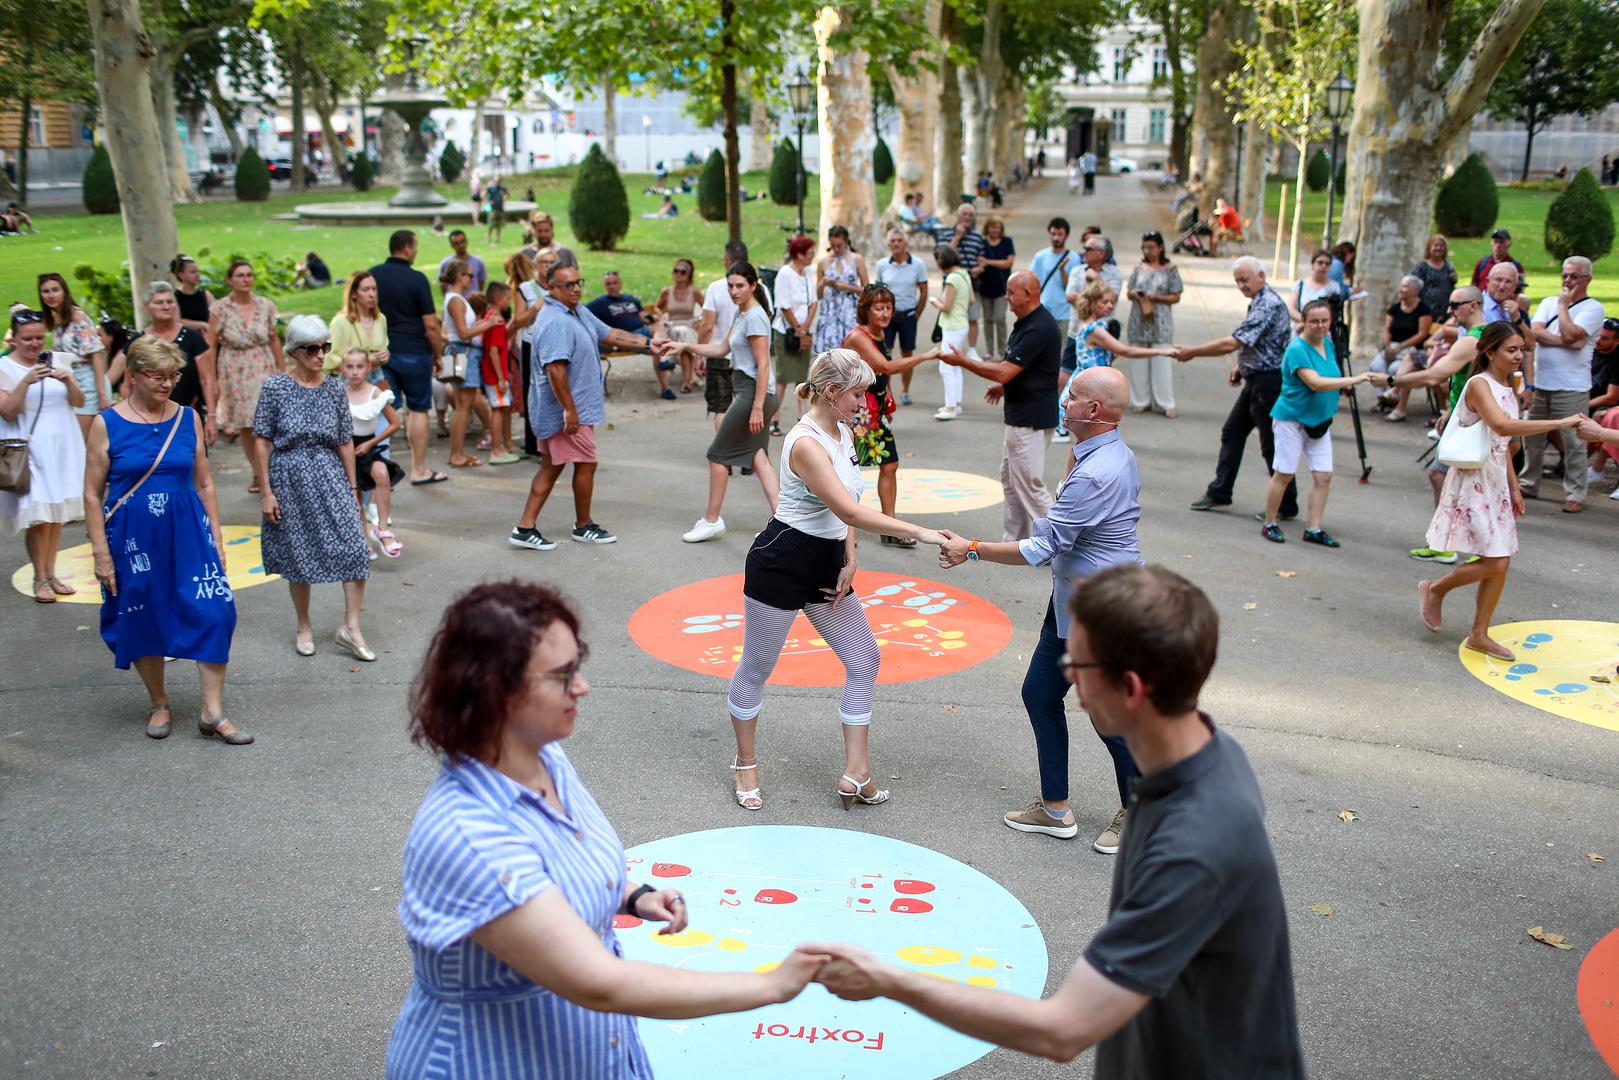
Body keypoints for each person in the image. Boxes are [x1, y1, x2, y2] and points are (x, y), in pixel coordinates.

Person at [805, 566, 1306, 1080]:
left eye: (1078, 662)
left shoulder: (1195, 847)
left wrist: (888, 980)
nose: (1066, 671)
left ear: (1130, 688)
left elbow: (1061, 1030)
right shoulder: (1203, 748)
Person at [385, 583, 828, 1077]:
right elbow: (600, 983)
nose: (582, 687)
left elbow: (563, 864)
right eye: (562, 675)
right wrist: (774, 986)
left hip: (588, 1049)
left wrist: (633, 893)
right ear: (494, 690)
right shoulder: (470, 836)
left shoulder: (544, 754)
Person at [722, 349, 947, 811]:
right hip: (782, 559)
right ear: (831, 391)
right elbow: (849, 509)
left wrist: (850, 554)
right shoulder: (805, 442)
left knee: (864, 658)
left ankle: (856, 772)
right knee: (758, 669)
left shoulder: (843, 432)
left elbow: (846, 505)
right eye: (858, 394)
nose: (864, 404)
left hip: (827, 562)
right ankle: (745, 763)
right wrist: (921, 532)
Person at [936, 367, 1143, 853]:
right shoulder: (1103, 451)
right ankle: (1055, 809)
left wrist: (970, 548)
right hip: (1074, 599)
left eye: (1071, 398)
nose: (1062, 402)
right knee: (1040, 693)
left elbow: (1043, 545)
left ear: (1094, 411)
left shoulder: (1096, 473)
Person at [83, 337, 248, 743]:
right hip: (133, 537)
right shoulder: (107, 423)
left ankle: (212, 710)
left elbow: (204, 482)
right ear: (134, 375)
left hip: (188, 532)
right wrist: (101, 554)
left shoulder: (187, 417)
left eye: (173, 375)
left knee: (216, 611)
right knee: (143, 614)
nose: (167, 384)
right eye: (157, 376)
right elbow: (91, 493)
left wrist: (218, 539)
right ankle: (159, 701)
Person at [1418, 322, 1586, 660]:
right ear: (1489, 351)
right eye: (1511, 350)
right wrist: (1559, 422)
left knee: (1500, 559)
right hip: (1473, 479)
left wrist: (1514, 486)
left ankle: (1480, 633)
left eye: (1521, 349)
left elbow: (1504, 444)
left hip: (1495, 478)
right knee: (1496, 560)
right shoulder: (1479, 384)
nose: (1519, 356)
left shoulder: (1508, 386)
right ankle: (1435, 588)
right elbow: (1503, 425)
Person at [254, 315, 374, 662]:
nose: (321, 354)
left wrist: (353, 488)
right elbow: (262, 440)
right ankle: (303, 626)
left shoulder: (336, 388)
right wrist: (266, 491)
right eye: (312, 349)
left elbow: (345, 440)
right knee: (298, 553)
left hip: (329, 471)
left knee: (354, 545)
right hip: (288, 475)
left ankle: (350, 628)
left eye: (325, 347)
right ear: (294, 351)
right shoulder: (275, 388)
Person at [509, 263, 650, 550]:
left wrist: (650, 344)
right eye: (567, 285)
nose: (575, 289)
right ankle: (583, 526)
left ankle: (525, 527)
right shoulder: (555, 322)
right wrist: (570, 410)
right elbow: (556, 370)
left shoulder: (576, 311)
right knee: (586, 463)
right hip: (569, 413)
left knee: (551, 468)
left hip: (572, 410)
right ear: (550, 288)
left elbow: (609, 333)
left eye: (577, 282)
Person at [659, 263, 779, 544]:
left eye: (739, 285)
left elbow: (763, 366)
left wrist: (758, 407)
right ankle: (785, 520)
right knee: (758, 457)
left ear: (752, 285)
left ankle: (712, 520)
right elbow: (721, 349)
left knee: (717, 455)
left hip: (753, 393)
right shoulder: (743, 313)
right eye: (730, 285)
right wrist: (685, 347)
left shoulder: (755, 317)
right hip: (751, 392)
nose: (734, 291)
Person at [938, 271, 1061, 541]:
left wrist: (965, 362)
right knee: (1011, 479)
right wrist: (1004, 387)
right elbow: (1025, 371)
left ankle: (1060, 543)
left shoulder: (1039, 326)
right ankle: (1014, 540)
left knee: (1029, 483)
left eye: (1011, 292)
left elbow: (1006, 371)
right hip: (1022, 415)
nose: (1006, 297)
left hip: (1031, 418)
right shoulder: (1026, 322)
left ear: (1028, 294)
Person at [1177, 257, 1300, 520]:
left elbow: (1233, 342)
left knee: (1272, 445)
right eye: (1237, 281)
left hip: (1268, 383)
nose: (1241, 285)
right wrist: (1240, 366)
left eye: (1245, 279)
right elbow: (1254, 344)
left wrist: (1192, 352)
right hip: (1255, 379)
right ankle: (1220, 491)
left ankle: (1286, 504)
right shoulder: (1258, 300)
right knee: (1232, 432)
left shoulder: (1267, 304)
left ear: (1261, 277)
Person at [1260, 300, 1383, 547]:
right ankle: (1270, 522)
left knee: (1324, 476)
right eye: (1314, 321)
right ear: (1304, 321)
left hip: (1320, 421)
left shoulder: (1327, 342)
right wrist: (1356, 379)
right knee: (1283, 473)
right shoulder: (1297, 350)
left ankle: (1313, 528)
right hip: (1291, 419)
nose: (1320, 326)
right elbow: (1315, 382)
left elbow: (1329, 377)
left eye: (1324, 321)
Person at [840, 284, 954, 542]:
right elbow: (885, 366)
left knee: (889, 464)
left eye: (888, 308)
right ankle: (843, 532)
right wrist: (925, 357)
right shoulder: (859, 336)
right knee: (847, 472)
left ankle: (888, 527)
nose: (884, 313)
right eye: (878, 308)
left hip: (875, 413)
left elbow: (879, 373)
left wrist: (887, 397)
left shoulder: (879, 333)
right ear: (865, 309)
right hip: (857, 415)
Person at [1392, 286, 1490, 561]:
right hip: (1465, 415)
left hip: (1471, 420)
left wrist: (1392, 381)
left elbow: (1435, 375)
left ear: (1472, 305)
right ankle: (1450, 541)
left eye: (1455, 304)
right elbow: (1463, 379)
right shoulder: (1480, 335)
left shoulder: (1473, 339)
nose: (1449, 310)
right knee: (1451, 478)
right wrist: (1449, 408)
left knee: (1449, 477)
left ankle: (1461, 544)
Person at [1, 309, 86, 603]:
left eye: (39, 337)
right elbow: (8, 410)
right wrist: (26, 381)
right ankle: (40, 577)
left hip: (62, 447)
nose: (35, 343)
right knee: (39, 515)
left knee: (55, 516)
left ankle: (51, 574)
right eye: (28, 339)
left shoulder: (55, 358)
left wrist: (68, 380)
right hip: (30, 450)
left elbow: (79, 401)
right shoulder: (5, 367)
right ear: (14, 338)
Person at [1522, 256, 1604, 512]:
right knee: (1532, 438)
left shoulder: (1593, 309)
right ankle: (1528, 482)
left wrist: (1564, 307)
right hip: (1541, 382)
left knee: (1575, 441)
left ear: (1587, 279)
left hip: (1571, 386)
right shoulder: (1548, 302)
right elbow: (1534, 332)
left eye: (1574, 276)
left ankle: (1576, 494)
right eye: (1565, 275)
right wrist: (1566, 342)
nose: (1568, 281)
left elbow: (1572, 333)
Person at [372, 230, 448, 485]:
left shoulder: (373, 275)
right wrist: (438, 355)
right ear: (406, 248)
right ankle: (419, 469)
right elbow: (431, 324)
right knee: (418, 408)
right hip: (415, 352)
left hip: (383, 352)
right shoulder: (417, 279)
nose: (416, 251)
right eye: (415, 247)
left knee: (384, 408)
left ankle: (379, 472)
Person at [207, 258, 284, 493]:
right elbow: (210, 344)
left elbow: (273, 337)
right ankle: (258, 472)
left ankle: (271, 469)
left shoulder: (265, 305)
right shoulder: (220, 308)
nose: (245, 279)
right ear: (230, 280)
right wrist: (212, 378)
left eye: (249, 275)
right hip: (235, 368)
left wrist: (282, 370)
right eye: (240, 275)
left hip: (262, 364)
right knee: (247, 425)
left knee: (268, 421)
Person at [121, 282, 216, 442]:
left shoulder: (193, 338)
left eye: (170, 301)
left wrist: (212, 417)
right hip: (146, 419)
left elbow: (207, 380)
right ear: (147, 307)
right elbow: (128, 385)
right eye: (159, 302)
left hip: (186, 415)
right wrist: (127, 418)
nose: (166, 306)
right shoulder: (137, 342)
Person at [341, 348, 405, 558]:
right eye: (350, 367)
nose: (355, 372)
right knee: (355, 495)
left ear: (368, 367)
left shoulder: (376, 393)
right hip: (347, 448)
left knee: (382, 474)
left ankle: (382, 527)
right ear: (343, 368)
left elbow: (395, 423)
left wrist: (372, 443)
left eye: (359, 366)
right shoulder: (339, 394)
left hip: (368, 445)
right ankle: (363, 539)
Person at [440, 258, 501, 469]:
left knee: (462, 406)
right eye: (469, 275)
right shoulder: (456, 300)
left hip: (462, 353)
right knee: (463, 407)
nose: (472, 279)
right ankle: (456, 454)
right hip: (463, 353)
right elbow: (463, 333)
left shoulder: (457, 299)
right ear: (460, 276)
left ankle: (457, 453)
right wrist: (488, 324)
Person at [38, 271, 108, 438]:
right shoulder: (56, 320)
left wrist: (102, 394)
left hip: (87, 383)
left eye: (55, 290)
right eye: (45, 291)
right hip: (68, 383)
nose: (50, 295)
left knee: (81, 440)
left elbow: (96, 355)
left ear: (64, 292)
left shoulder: (77, 317)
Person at [587, 270, 675, 401]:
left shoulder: (630, 299)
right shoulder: (599, 303)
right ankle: (665, 387)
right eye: (608, 283)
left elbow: (643, 316)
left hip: (644, 329)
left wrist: (652, 317)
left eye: (614, 283)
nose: (612, 286)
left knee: (659, 326)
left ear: (620, 283)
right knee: (658, 346)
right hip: (627, 338)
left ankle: (664, 360)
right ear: (605, 285)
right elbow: (582, 314)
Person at [1123, 231, 1183, 418]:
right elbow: (1129, 291)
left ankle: (1165, 402)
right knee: (1138, 360)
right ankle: (1141, 400)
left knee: (1162, 359)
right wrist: (1135, 294)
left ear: (1160, 248)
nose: (1148, 251)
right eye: (1145, 247)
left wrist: (1156, 297)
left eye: (1151, 247)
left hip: (1161, 319)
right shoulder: (1139, 267)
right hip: (1139, 317)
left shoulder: (1170, 269)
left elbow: (1176, 296)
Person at [873, 229, 928, 406]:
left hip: (908, 315)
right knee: (885, 355)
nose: (896, 243)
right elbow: (877, 291)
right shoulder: (882, 265)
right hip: (886, 318)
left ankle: (905, 390)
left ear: (905, 243)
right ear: (888, 244)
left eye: (899, 240)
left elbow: (924, 290)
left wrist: (917, 313)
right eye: (893, 241)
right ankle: (886, 392)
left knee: (907, 354)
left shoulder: (917, 264)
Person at [771, 236, 818, 430]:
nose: (812, 255)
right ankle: (774, 419)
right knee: (782, 377)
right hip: (787, 331)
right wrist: (798, 329)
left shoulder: (808, 273)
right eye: (809, 252)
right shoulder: (785, 273)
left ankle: (802, 417)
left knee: (802, 376)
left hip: (805, 330)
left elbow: (813, 301)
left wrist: (806, 327)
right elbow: (784, 305)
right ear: (799, 254)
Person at [1375, 275, 1434, 421]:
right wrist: (1388, 346)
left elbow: (1423, 334)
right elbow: (1387, 329)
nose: (1401, 289)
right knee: (1376, 366)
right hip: (1392, 346)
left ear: (1415, 291)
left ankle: (1396, 402)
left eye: (1405, 286)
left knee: (1395, 369)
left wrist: (1400, 347)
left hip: (1412, 348)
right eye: (1401, 286)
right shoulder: (1395, 308)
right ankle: (1384, 400)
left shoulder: (1423, 310)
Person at [931, 203, 986, 352]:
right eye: (964, 214)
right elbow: (942, 255)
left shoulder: (977, 236)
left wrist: (979, 269)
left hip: (970, 281)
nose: (967, 217)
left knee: (972, 316)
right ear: (957, 215)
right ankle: (950, 348)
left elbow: (982, 258)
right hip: (951, 281)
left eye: (970, 215)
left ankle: (972, 350)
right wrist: (957, 237)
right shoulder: (947, 234)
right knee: (950, 313)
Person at [476, 283, 519, 465]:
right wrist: (501, 378)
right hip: (495, 376)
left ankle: (504, 446)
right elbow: (494, 351)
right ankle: (496, 450)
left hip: (494, 373)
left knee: (501, 408)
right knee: (498, 410)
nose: (509, 302)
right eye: (507, 299)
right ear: (498, 299)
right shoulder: (496, 320)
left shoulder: (492, 318)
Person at [931, 244, 973, 420]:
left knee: (946, 366)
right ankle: (955, 404)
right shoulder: (964, 274)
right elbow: (971, 299)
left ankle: (950, 407)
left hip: (952, 325)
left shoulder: (951, 279)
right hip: (961, 323)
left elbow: (946, 307)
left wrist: (935, 302)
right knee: (956, 365)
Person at [328, 270, 391, 383]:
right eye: (366, 289)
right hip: (348, 385)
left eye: (374, 289)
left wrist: (385, 355)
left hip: (377, 380)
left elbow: (384, 348)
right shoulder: (340, 322)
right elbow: (330, 364)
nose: (372, 294)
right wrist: (364, 362)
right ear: (353, 294)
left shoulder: (380, 319)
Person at [812, 225, 868, 354]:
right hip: (829, 312)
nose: (836, 249)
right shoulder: (824, 262)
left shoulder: (856, 259)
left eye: (839, 245)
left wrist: (844, 287)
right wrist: (822, 284)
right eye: (833, 246)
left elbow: (867, 290)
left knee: (850, 351)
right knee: (829, 354)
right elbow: (819, 295)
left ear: (846, 242)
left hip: (850, 311)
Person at [652, 258, 703, 394]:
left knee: (684, 337)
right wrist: (661, 315)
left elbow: (707, 309)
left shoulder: (694, 292)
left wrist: (700, 321)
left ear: (688, 275)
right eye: (676, 271)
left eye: (682, 272)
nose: (678, 274)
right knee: (681, 336)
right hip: (672, 327)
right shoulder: (667, 291)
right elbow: (657, 307)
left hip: (689, 327)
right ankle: (690, 377)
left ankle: (687, 382)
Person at [978, 216, 1016, 361]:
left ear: (1001, 229)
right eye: (992, 227)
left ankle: (1002, 351)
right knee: (987, 319)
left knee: (1000, 318)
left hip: (1003, 288)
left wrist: (988, 262)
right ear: (987, 227)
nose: (994, 230)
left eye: (997, 227)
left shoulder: (1007, 242)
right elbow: (977, 261)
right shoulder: (981, 243)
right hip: (985, 287)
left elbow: (1008, 263)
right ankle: (989, 350)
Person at [1028, 217, 1077, 330]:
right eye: (1053, 234)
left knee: (1062, 347)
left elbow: (1070, 289)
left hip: (1065, 312)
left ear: (1066, 236)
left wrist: (1062, 270)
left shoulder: (1074, 258)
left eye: (1060, 234)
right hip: (1043, 311)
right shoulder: (1040, 257)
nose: (1056, 238)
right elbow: (1032, 283)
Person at [1285, 249, 1343, 323]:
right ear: (1312, 265)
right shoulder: (1300, 285)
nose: (1323, 266)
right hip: (1300, 327)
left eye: (1327, 264)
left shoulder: (1334, 287)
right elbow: (1290, 308)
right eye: (1320, 262)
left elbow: (1334, 313)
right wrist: (1306, 321)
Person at [1410, 235, 1458, 321]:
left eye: (1442, 246)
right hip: (1426, 311)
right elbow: (1413, 287)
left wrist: (1454, 279)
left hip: (1445, 311)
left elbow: (1452, 284)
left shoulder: (1448, 265)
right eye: (1436, 245)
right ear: (1429, 248)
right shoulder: (1421, 267)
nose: (1439, 248)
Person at [169, 254, 214, 336]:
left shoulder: (206, 295)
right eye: (193, 272)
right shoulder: (175, 297)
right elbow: (177, 321)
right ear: (181, 275)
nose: (198, 275)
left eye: (198, 271)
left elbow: (217, 317)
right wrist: (202, 324)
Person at [438, 229, 487, 294]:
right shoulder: (446, 264)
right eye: (456, 243)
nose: (460, 245)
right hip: (455, 301)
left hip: (473, 302)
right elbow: (443, 285)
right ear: (451, 245)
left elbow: (481, 283)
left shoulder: (478, 262)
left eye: (462, 241)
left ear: (467, 241)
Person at [484, 176, 507, 243]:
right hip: (492, 209)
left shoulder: (502, 188)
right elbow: (485, 195)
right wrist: (488, 201)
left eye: (498, 180)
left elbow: (507, 194)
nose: (497, 181)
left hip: (500, 208)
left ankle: (497, 238)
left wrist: (505, 198)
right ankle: (488, 238)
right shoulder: (490, 188)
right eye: (496, 180)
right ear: (493, 181)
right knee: (491, 224)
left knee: (499, 225)